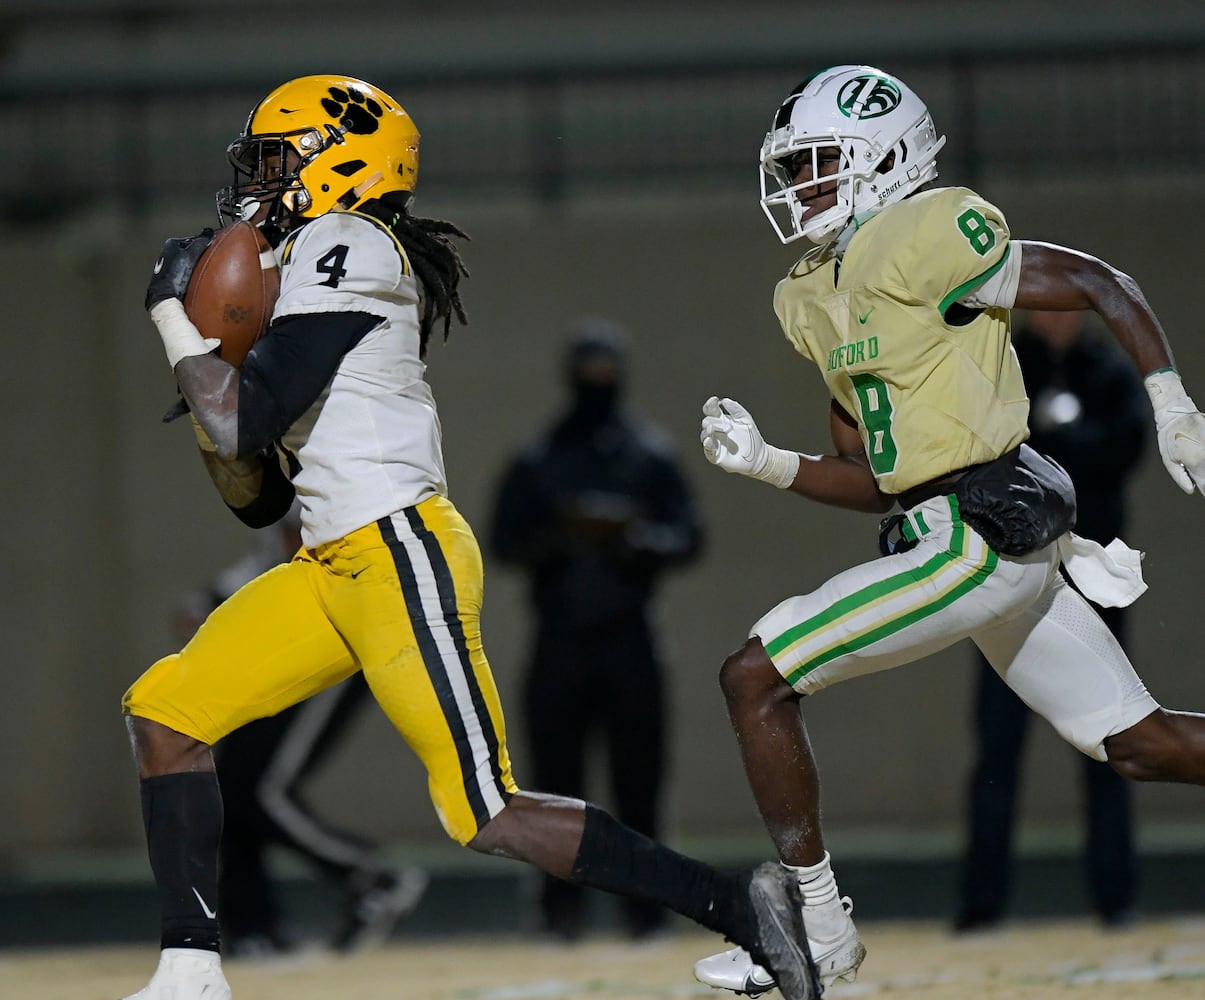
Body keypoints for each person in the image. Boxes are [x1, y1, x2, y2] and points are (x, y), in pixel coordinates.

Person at [120, 74, 822, 1000]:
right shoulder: (310, 261)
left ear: (340, 162)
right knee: (167, 715)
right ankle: (190, 970)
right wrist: (213, 373)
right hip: (330, 560)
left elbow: (241, 421)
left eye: (279, 158)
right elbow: (253, 492)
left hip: (398, 552)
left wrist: (176, 318)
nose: (261, 179)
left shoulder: (348, 239)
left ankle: (744, 911)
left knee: (484, 809)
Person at [690, 64, 1205, 998]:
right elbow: (875, 479)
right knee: (1141, 744)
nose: (799, 187)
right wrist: (766, 461)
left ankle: (816, 929)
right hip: (948, 531)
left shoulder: (925, 230)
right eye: (793, 169)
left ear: (886, 159)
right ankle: (818, 932)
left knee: (754, 675)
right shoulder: (808, 292)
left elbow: (1096, 280)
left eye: (815, 165)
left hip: (979, 535)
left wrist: (1169, 402)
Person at [489, 319, 704, 941]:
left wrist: (633, 539)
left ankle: (646, 913)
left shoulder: (649, 453)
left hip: (630, 637)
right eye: (590, 369)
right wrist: (560, 536)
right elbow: (502, 542)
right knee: (556, 786)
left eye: (607, 370)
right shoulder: (539, 456)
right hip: (558, 638)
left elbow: (689, 535)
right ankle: (561, 915)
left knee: (640, 783)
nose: (598, 382)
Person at [955, 310, 1148, 931]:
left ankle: (1115, 899)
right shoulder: (1007, 367)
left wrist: (1056, 447)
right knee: (997, 748)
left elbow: (1123, 448)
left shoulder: (1109, 374)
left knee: (1114, 736)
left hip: (1090, 583)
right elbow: (986, 449)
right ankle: (981, 907)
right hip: (1013, 581)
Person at [172, 505, 429, 958]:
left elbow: (305, 547)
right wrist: (212, 602)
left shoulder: (319, 455)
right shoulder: (277, 463)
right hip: (291, 642)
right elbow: (271, 555)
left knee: (262, 788)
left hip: (339, 637)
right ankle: (255, 929)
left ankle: (370, 876)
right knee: (234, 786)